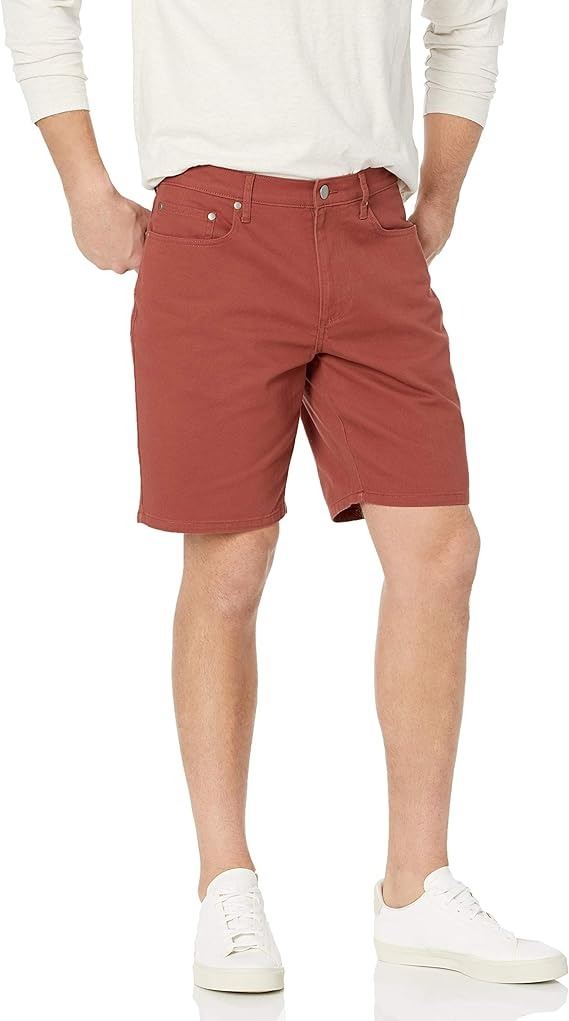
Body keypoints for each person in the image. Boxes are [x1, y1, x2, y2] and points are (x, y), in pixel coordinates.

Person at [2, 0, 566, 995]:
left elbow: (470, 17)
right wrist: (84, 183)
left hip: (369, 223)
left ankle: (415, 886)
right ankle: (225, 883)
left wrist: (439, 194)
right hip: (211, 221)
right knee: (230, 556)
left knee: (439, 547)